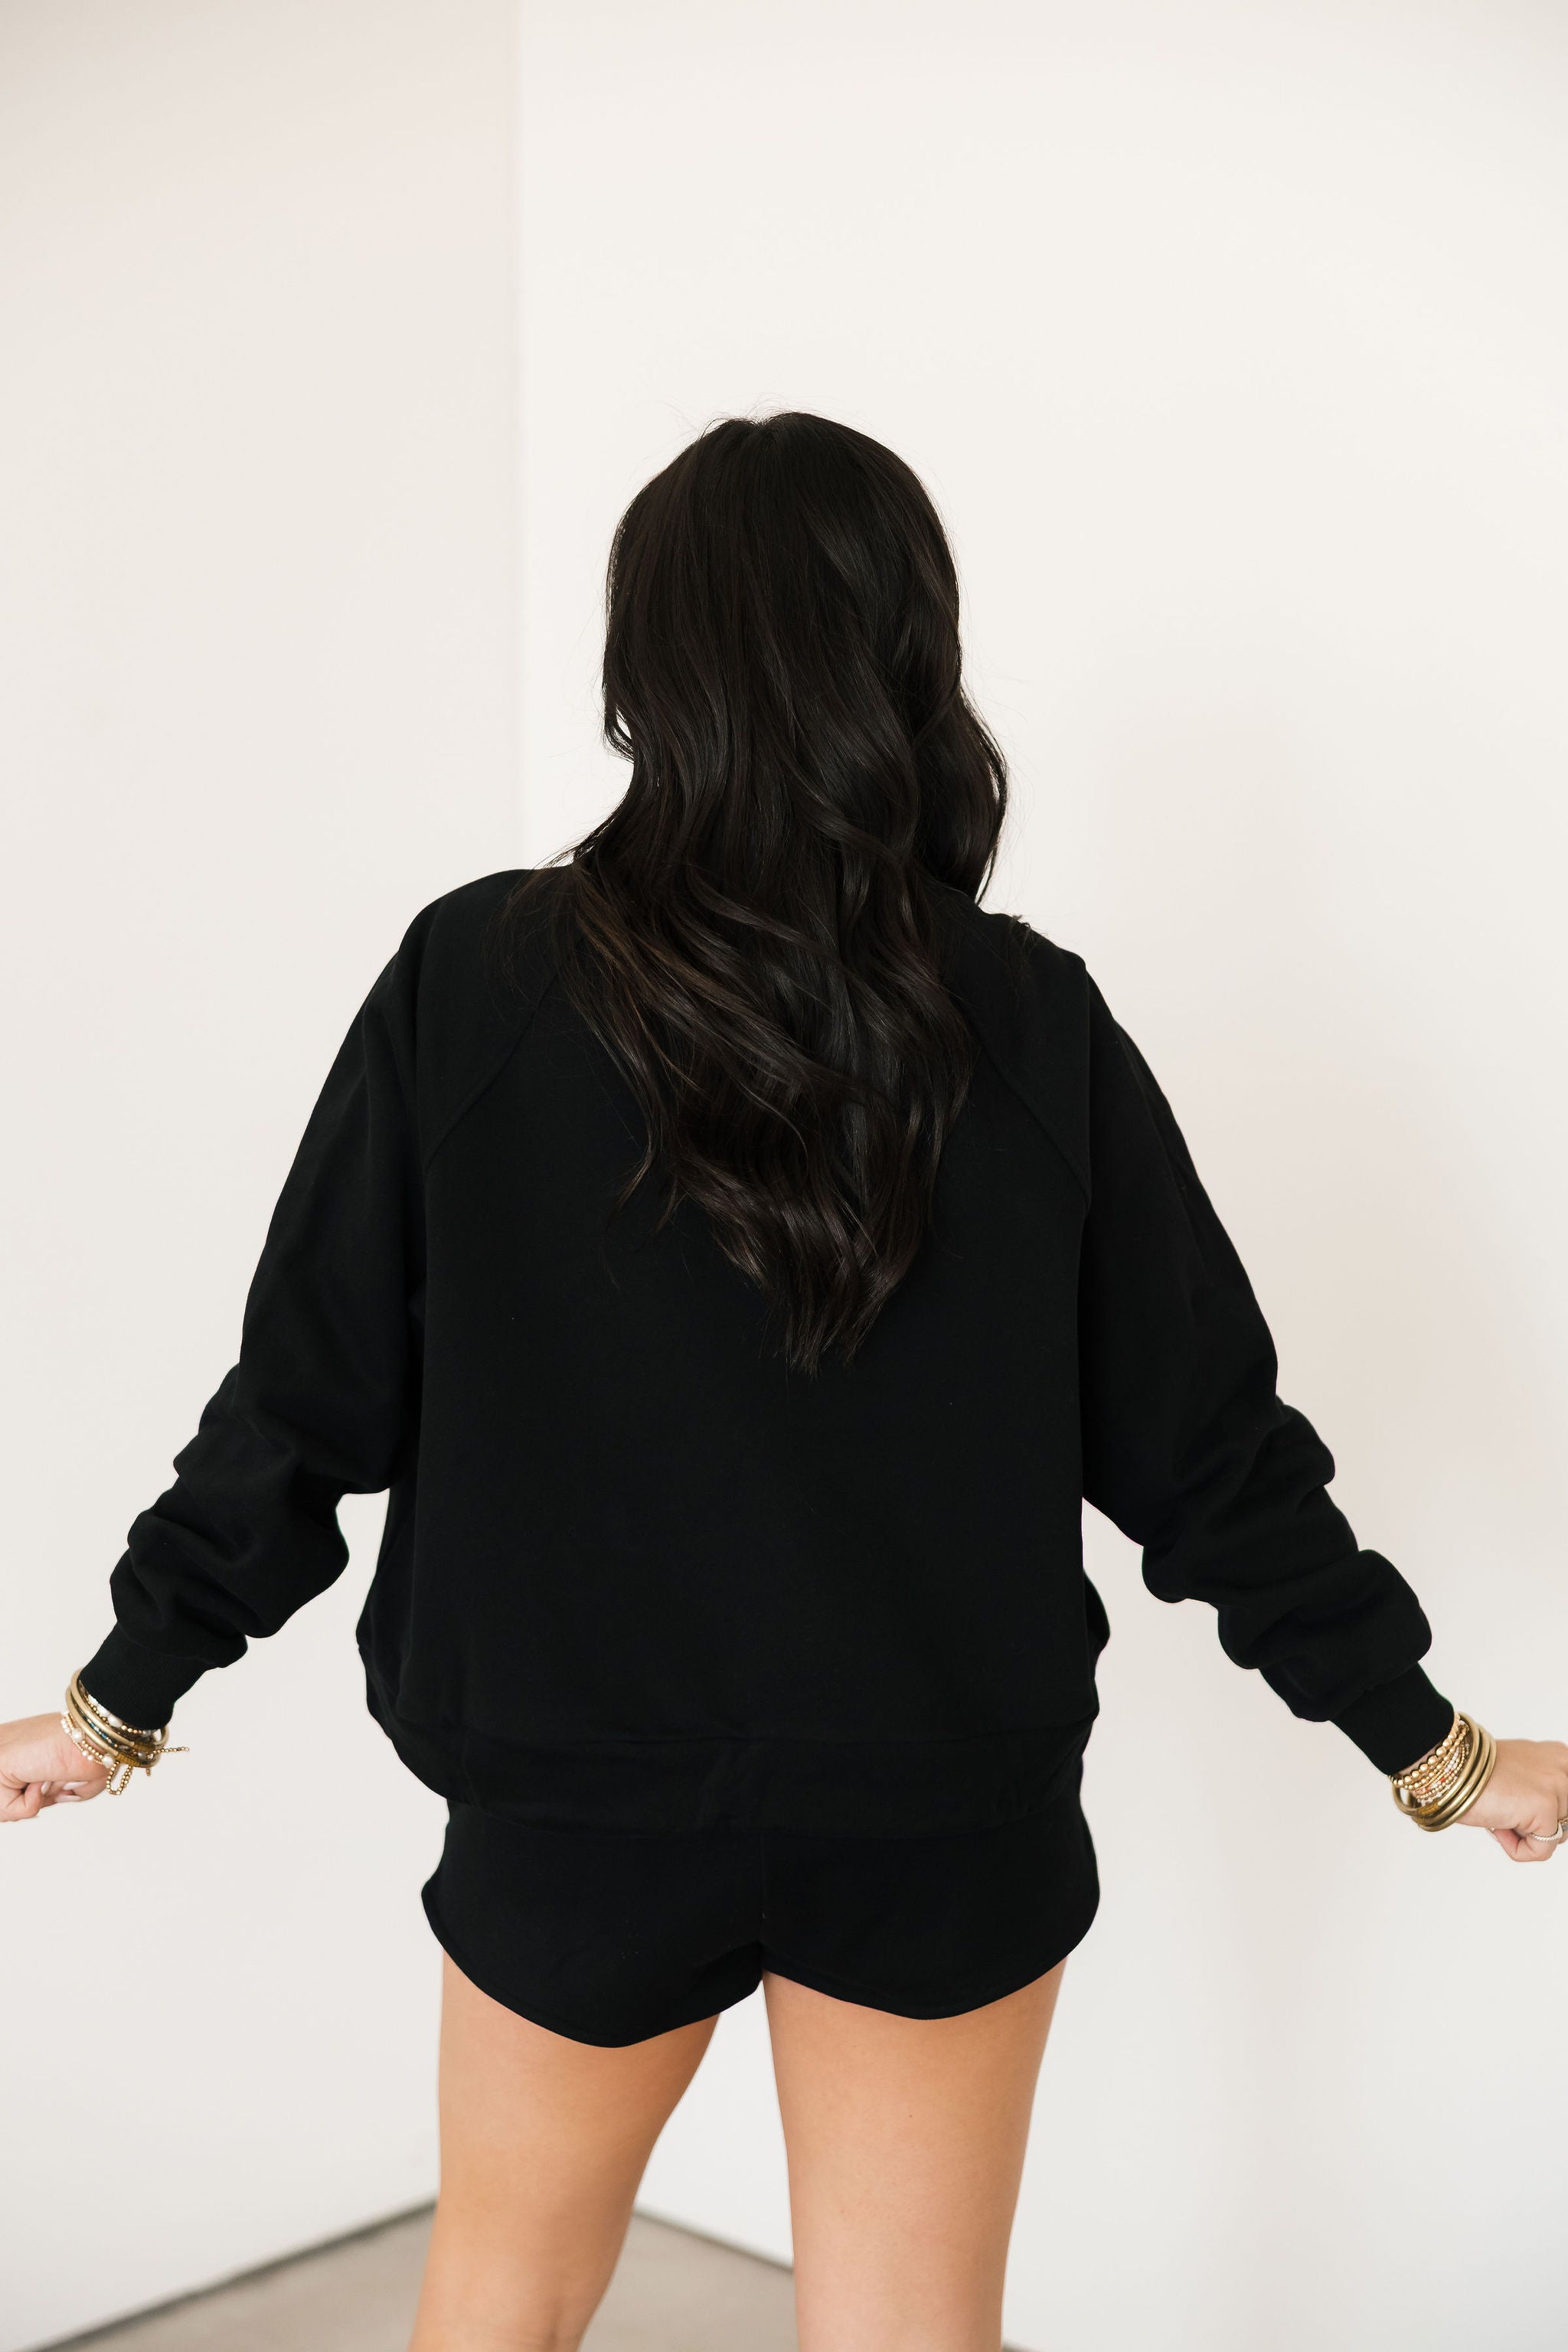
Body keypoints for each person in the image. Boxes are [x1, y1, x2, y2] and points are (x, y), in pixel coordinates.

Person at [5, 410, 1565, 2352]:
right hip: (937, 1804)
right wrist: (1430, 1749)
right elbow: (1205, 1453)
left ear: (642, 664)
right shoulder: (1026, 1017)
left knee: (497, 2302)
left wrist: (123, 1697)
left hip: (579, 1807)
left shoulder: (473, 984)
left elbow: (304, 1400)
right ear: (910, 657)